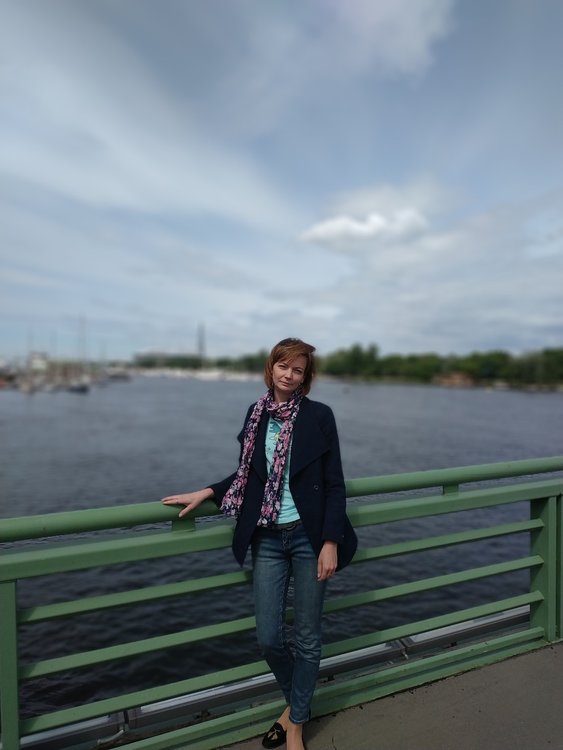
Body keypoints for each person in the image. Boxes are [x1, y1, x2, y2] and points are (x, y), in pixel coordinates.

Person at [162, 337, 357, 750]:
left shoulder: (319, 416)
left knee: (307, 637)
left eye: (298, 370)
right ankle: (297, 704)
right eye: (283, 366)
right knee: (269, 638)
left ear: (305, 377)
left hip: (308, 536)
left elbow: (335, 484)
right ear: (271, 368)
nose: (289, 374)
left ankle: (295, 724)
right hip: (266, 536)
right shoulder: (256, 414)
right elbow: (248, 475)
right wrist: (208, 491)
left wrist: (330, 542)